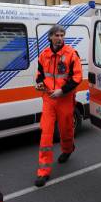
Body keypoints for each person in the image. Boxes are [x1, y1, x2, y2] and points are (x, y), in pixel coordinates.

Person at [34, 25, 82, 187]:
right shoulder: (44, 55)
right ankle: (43, 172)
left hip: (64, 98)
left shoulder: (71, 54)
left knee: (66, 129)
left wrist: (62, 91)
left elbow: (77, 78)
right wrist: (39, 83)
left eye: (62, 35)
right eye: (57, 35)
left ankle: (67, 149)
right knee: (46, 133)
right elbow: (40, 74)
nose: (60, 37)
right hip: (48, 99)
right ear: (50, 37)